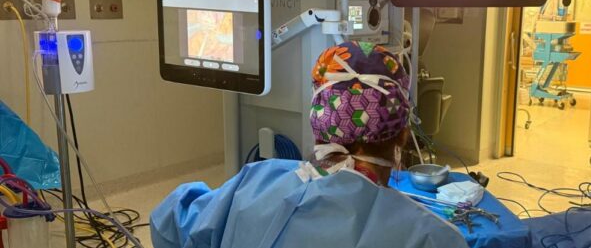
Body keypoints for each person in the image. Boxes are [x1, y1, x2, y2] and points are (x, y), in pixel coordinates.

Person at [150, 41, 467, 248]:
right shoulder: (431, 237)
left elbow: (166, 222)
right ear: (401, 133)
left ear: (319, 123)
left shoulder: (254, 184)